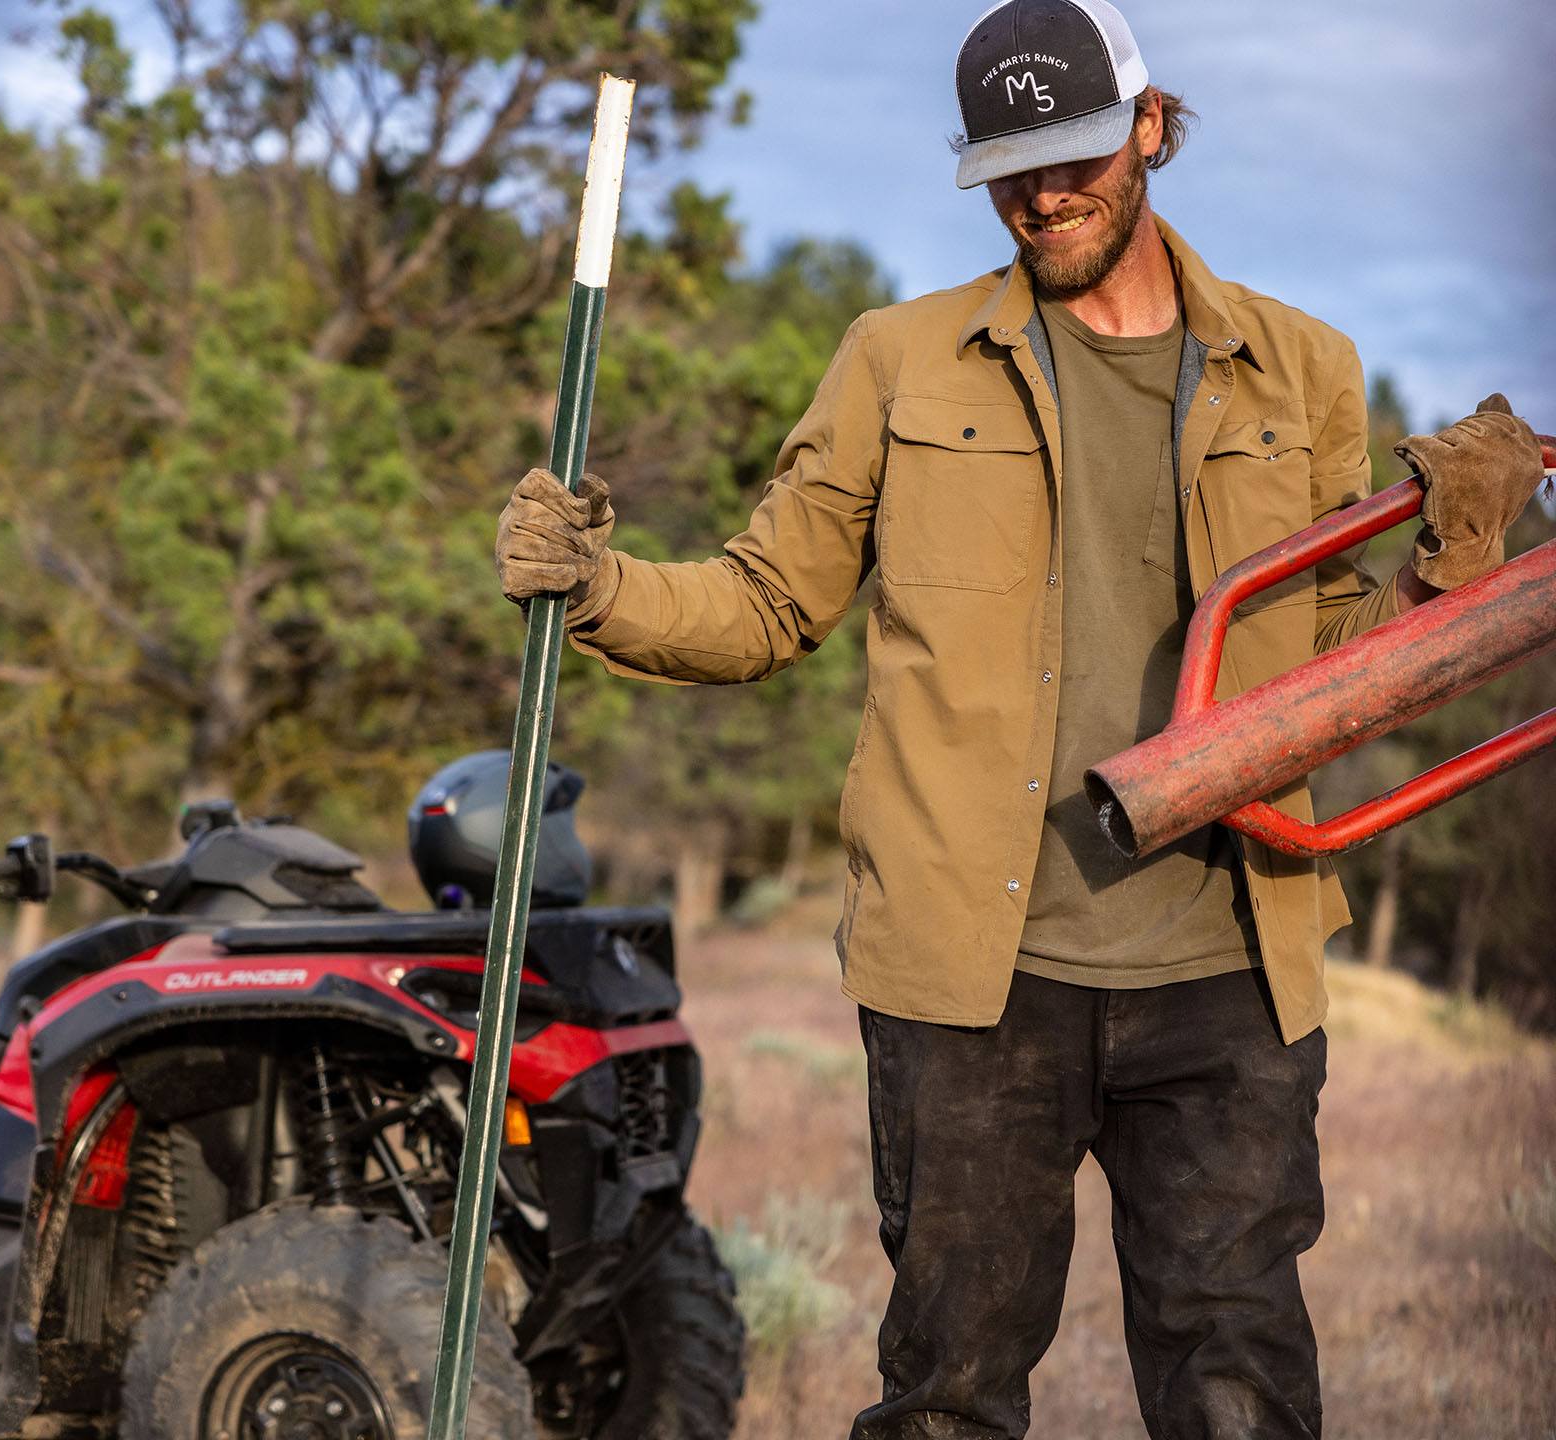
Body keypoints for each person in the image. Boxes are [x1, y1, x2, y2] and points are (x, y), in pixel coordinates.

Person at [492, 1, 1548, 1435]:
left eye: (1076, 156)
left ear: (1152, 127)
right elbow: (763, 606)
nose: (1045, 194)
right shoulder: (898, 362)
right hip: (972, 981)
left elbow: (1323, 661)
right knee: (951, 1395)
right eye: (1010, 166)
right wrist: (598, 585)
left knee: (1240, 1386)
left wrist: (1456, 561)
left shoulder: (1306, 368)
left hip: (1229, 963)